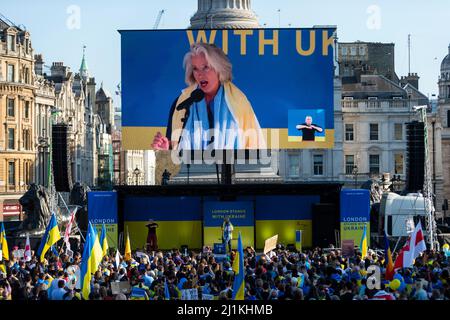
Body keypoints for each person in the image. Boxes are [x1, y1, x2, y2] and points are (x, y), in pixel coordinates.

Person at [152, 42, 266, 152]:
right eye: (195, 69)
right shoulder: (182, 103)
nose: (200, 74)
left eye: (205, 67)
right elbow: (174, 151)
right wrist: (166, 150)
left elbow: (255, 150)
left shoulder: (239, 103)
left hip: (230, 170)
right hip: (190, 171)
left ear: (218, 69)